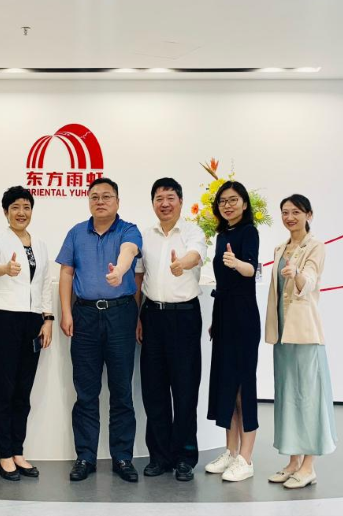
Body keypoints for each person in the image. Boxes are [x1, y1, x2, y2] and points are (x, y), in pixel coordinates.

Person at [56, 177, 143, 483]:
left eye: (107, 196)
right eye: (95, 196)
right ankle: (85, 456)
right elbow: (66, 273)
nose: (101, 201)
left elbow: (129, 252)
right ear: (88, 201)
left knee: (121, 391)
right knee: (86, 391)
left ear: (117, 202)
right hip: (85, 316)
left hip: (121, 314)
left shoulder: (128, 230)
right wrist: (66, 312)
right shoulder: (76, 232)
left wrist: (119, 270)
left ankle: (122, 457)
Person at [134, 177, 207, 482]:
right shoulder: (144, 236)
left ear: (180, 201)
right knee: (154, 390)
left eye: (170, 198)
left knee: (185, 390)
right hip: (152, 316)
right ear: (153, 203)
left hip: (184, 317)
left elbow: (195, 255)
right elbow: (139, 278)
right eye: (159, 198)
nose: (164, 204)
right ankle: (160, 456)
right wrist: (138, 316)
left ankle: (185, 457)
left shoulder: (192, 231)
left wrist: (182, 265)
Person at [265, 194, 337, 490]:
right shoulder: (280, 248)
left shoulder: (315, 246)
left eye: (296, 212)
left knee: (308, 397)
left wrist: (296, 274)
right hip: (282, 332)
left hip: (305, 332)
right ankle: (293, 462)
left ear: (309, 214)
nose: (289, 217)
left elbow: (310, 280)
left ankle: (309, 466)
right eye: (285, 212)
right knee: (287, 395)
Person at [0, 186, 54, 481]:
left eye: (26, 207)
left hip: (32, 321)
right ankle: (4, 454)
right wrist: (4, 268)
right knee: (4, 390)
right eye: (15, 207)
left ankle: (17, 451)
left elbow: (45, 283)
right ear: (5, 212)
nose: (21, 212)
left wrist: (47, 318)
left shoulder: (40, 244)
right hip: (5, 318)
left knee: (23, 391)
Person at [204, 180, 261, 483]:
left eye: (233, 200)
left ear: (244, 203)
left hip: (244, 317)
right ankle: (230, 451)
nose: (227, 205)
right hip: (224, 315)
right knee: (226, 384)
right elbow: (221, 284)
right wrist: (216, 319)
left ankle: (246, 458)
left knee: (243, 386)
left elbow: (251, 269)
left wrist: (237, 262)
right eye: (223, 201)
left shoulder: (249, 232)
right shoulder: (222, 235)